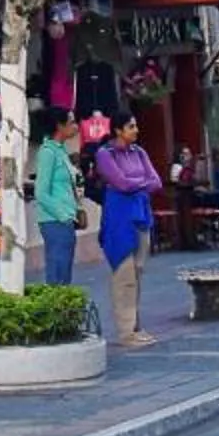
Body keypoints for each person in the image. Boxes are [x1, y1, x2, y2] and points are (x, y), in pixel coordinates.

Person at [92, 113, 161, 349]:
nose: (136, 130)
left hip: (140, 214)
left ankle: (136, 326)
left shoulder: (139, 152)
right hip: (119, 218)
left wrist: (135, 184)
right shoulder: (105, 154)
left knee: (138, 271)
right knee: (124, 274)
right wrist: (141, 183)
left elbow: (156, 181)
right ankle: (126, 331)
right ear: (118, 130)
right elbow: (120, 183)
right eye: (131, 126)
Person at [28, 109, 82, 286]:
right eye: (71, 122)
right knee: (57, 273)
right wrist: (62, 215)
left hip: (66, 219)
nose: (76, 126)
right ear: (60, 126)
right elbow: (41, 192)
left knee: (65, 273)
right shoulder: (48, 152)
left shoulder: (61, 151)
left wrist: (76, 209)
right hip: (55, 220)